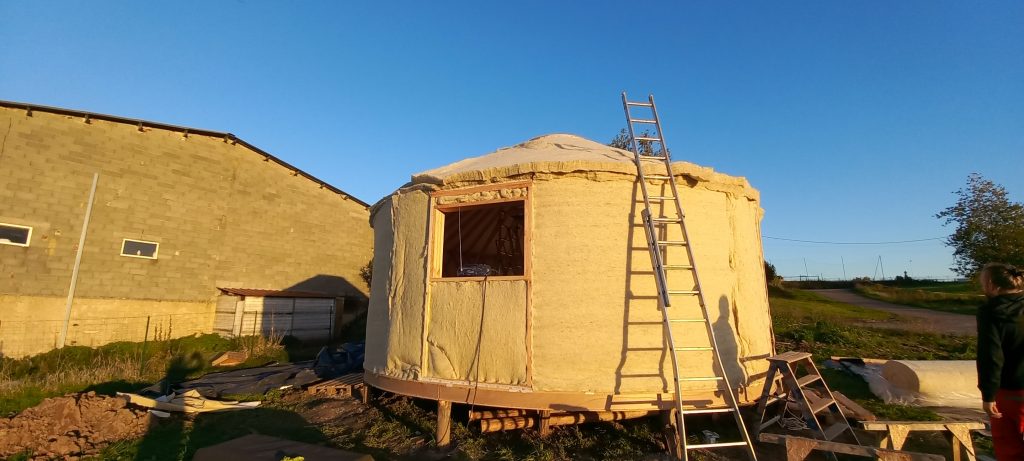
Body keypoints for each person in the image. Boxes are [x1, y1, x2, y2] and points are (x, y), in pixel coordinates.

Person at [976, 263, 1024, 460]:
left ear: (991, 284)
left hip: (1011, 390)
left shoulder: (991, 312)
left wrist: (988, 394)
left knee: (1010, 448)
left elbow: (991, 355)